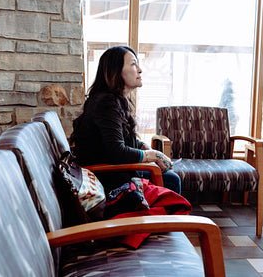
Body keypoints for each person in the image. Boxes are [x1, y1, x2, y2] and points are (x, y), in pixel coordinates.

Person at [70, 46, 181, 194]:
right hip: (108, 180)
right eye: (133, 64)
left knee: (169, 175)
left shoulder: (110, 99)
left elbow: (116, 140)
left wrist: (143, 147)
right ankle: (161, 218)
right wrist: (154, 155)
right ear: (116, 71)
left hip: (112, 171)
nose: (140, 70)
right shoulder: (106, 103)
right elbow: (116, 151)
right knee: (172, 179)